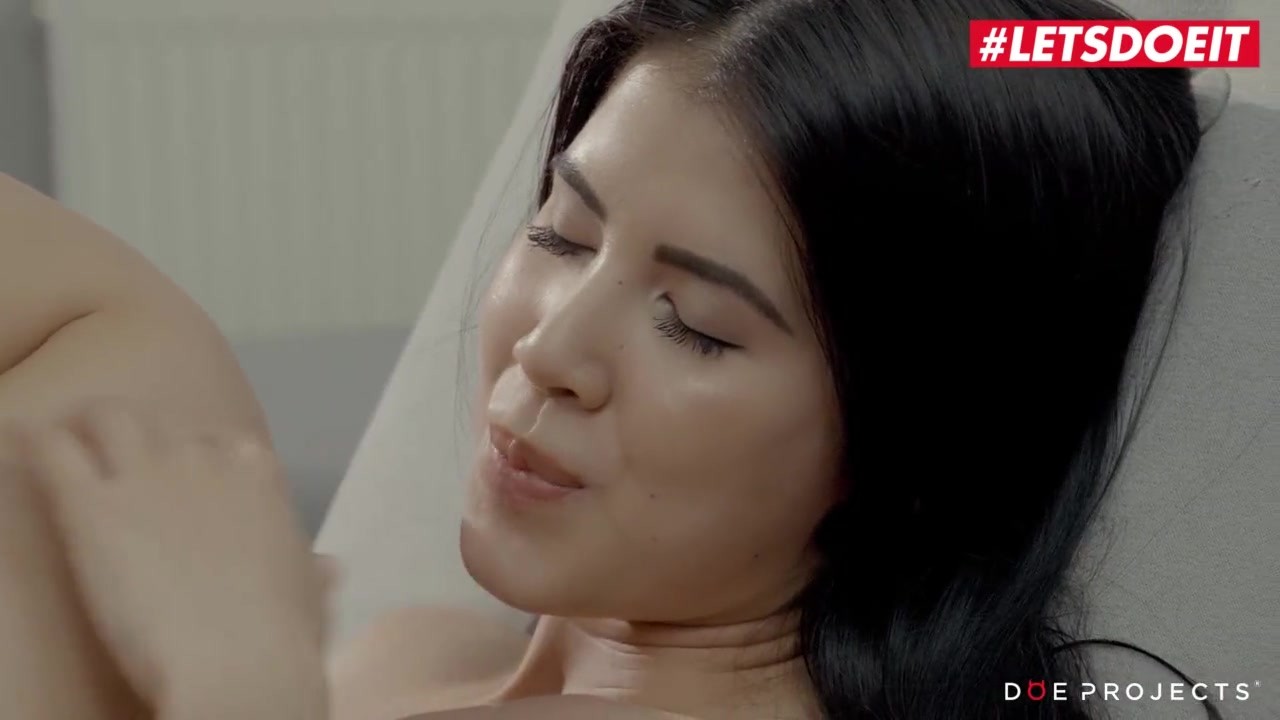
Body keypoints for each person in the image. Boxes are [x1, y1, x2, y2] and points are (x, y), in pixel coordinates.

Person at [0, 0, 1223, 718]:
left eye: (695, 323)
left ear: (908, 438)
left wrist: (236, 686)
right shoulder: (423, 650)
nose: (547, 348)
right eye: (560, 233)